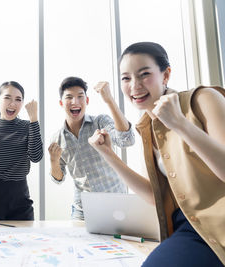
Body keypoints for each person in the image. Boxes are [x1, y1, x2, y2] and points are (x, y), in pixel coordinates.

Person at [88, 42, 225, 266]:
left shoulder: (203, 99)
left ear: (166, 75)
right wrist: (108, 154)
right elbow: (156, 196)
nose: (135, 86)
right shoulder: (146, 128)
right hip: (191, 228)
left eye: (144, 75)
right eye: (126, 78)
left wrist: (180, 124)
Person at [48, 77, 135, 220]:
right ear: (61, 103)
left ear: (86, 101)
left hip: (116, 203)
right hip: (82, 210)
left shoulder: (100, 122)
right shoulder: (57, 138)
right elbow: (58, 179)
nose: (75, 102)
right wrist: (53, 161)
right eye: (69, 97)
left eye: (80, 97)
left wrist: (109, 100)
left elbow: (127, 140)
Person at [0, 81, 43, 220]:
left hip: (21, 198)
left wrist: (34, 119)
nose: (13, 104)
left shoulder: (28, 126)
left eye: (18, 99)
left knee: (25, 240)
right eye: (7, 98)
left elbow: (36, 157)